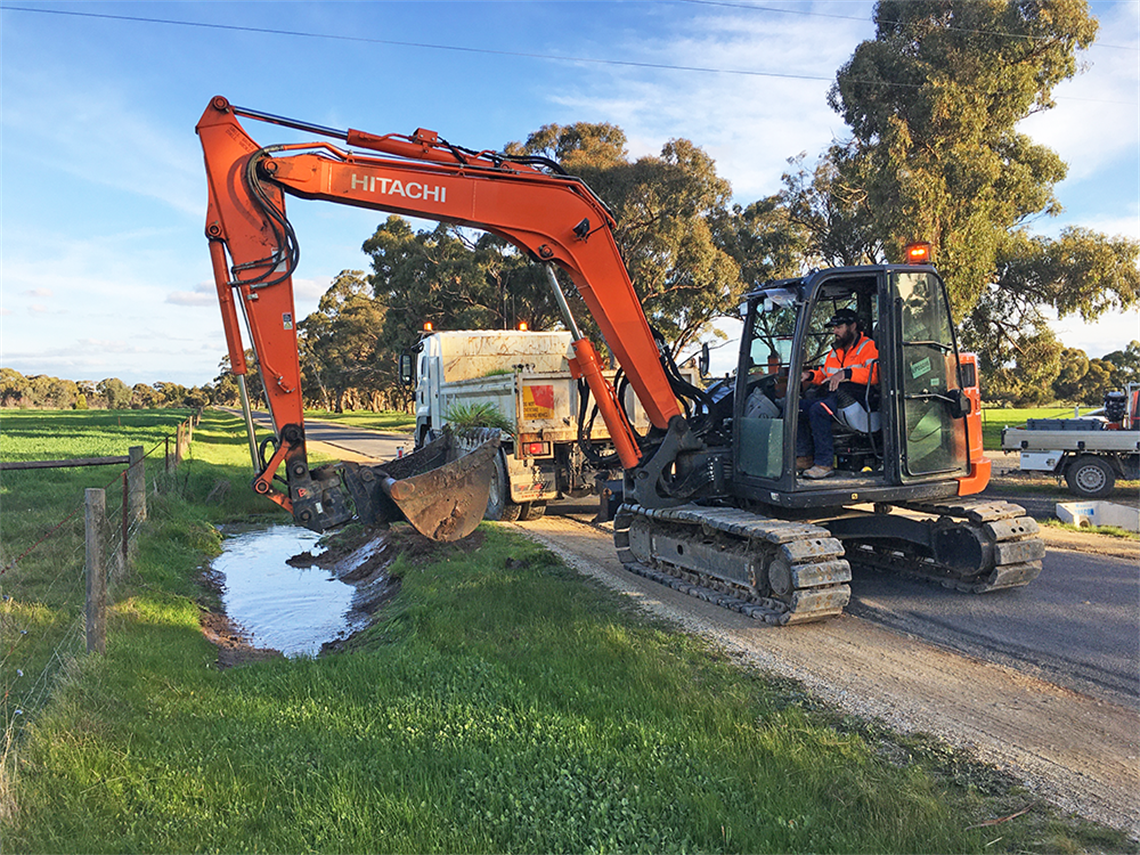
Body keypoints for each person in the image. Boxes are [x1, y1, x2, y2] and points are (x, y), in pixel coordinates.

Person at [796, 308, 879, 479]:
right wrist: (809, 376)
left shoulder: (868, 346)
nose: (835, 331)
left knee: (820, 409)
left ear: (853, 326)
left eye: (839, 327)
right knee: (796, 408)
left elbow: (875, 375)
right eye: (834, 328)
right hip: (834, 395)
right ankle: (804, 456)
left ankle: (824, 464)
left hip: (858, 398)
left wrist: (847, 374)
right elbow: (826, 374)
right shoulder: (836, 350)